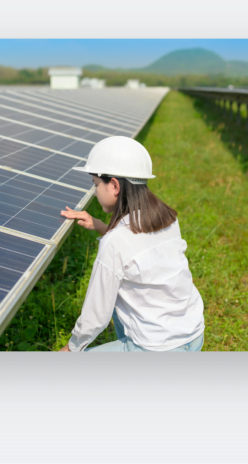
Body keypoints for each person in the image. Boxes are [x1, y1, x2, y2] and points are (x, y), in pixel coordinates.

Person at [58, 136, 205, 352]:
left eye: (96, 184)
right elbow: (137, 249)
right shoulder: (167, 218)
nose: (95, 191)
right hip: (194, 335)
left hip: (156, 349)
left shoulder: (115, 242)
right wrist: (99, 225)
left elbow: (96, 315)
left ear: (115, 185)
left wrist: (71, 348)